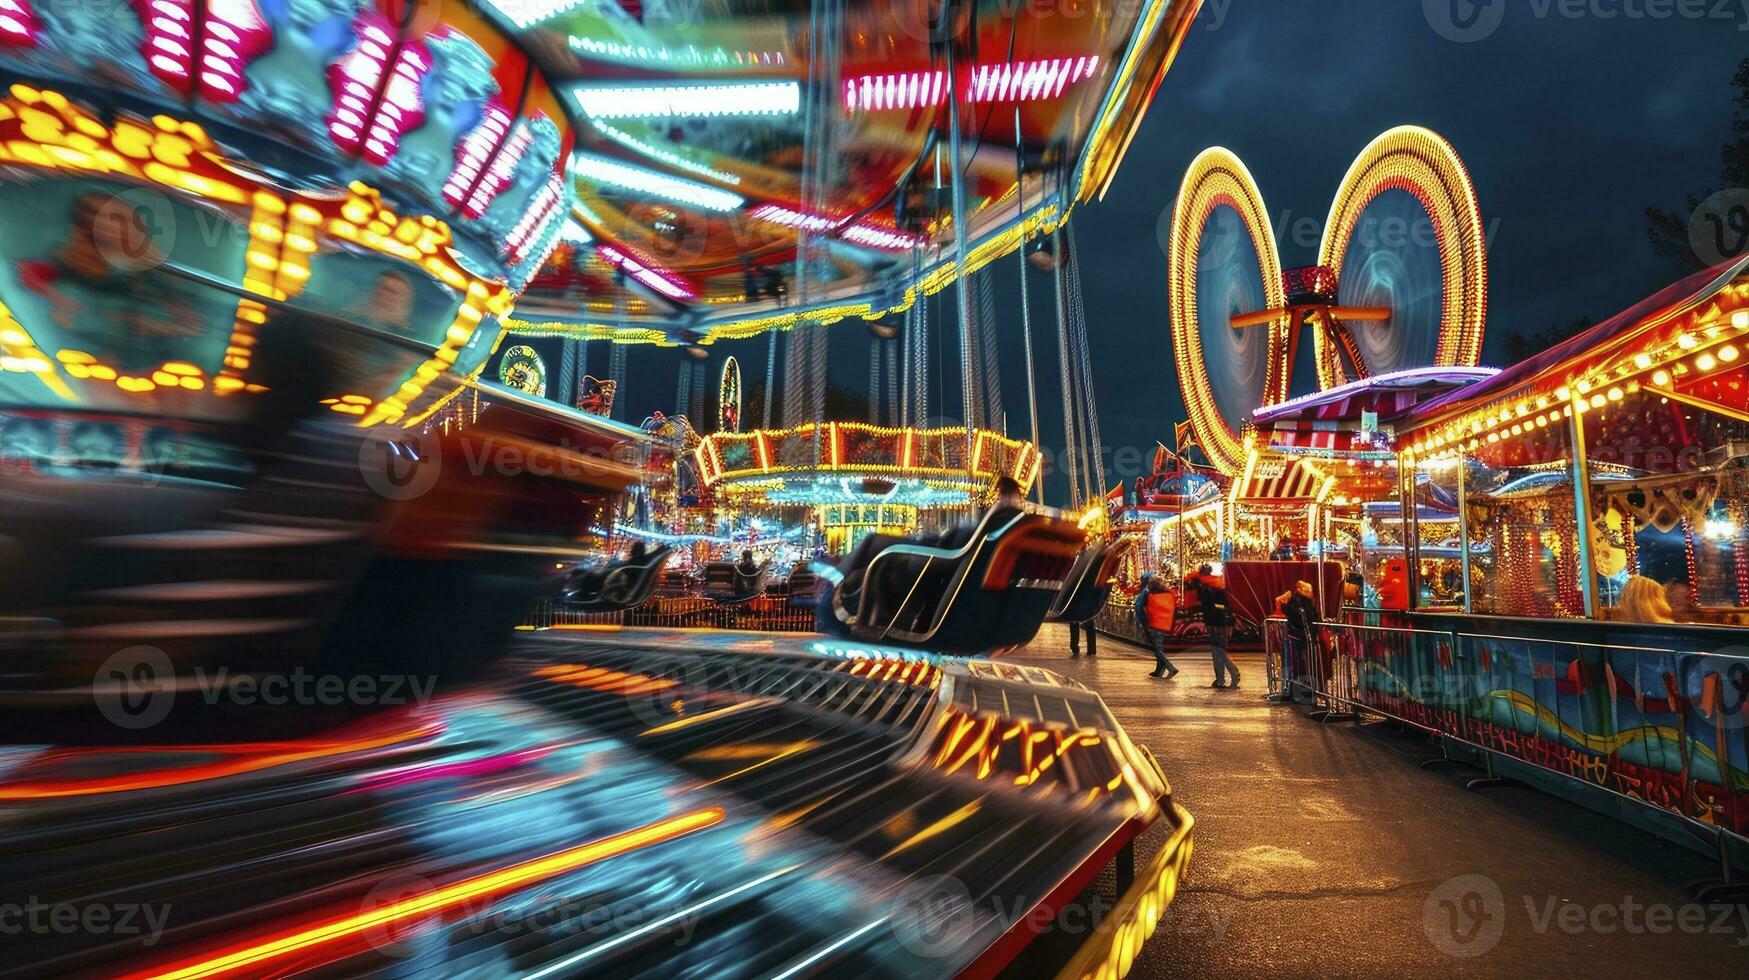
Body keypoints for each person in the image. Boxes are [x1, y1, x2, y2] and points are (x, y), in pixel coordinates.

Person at [1196, 564, 1240, 689]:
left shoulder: (1207, 588)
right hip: (1219, 623)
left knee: (1219, 652)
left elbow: (1214, 606)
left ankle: (1232, 673)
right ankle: (1220, 679)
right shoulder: (1217, 585)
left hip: (1217, 623)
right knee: (1217, 652)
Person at [1281, 580, 1321, 703]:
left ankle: (1294, 690)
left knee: (1296, 665)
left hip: (1298, 637)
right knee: (1302, 666)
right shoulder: (1302, 604)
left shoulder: (1297, 603)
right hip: (1302, 638)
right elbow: (1305, 621)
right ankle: (1302, 692)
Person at [1142, 576, 1180, 680]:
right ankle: (1159, 669)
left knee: (1157, 649)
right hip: (1166, 624)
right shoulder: (1169, 595)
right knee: (1158, 647)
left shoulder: (1152, 596)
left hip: (1156, 624)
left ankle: (1170, 667)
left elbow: (1148, 610)